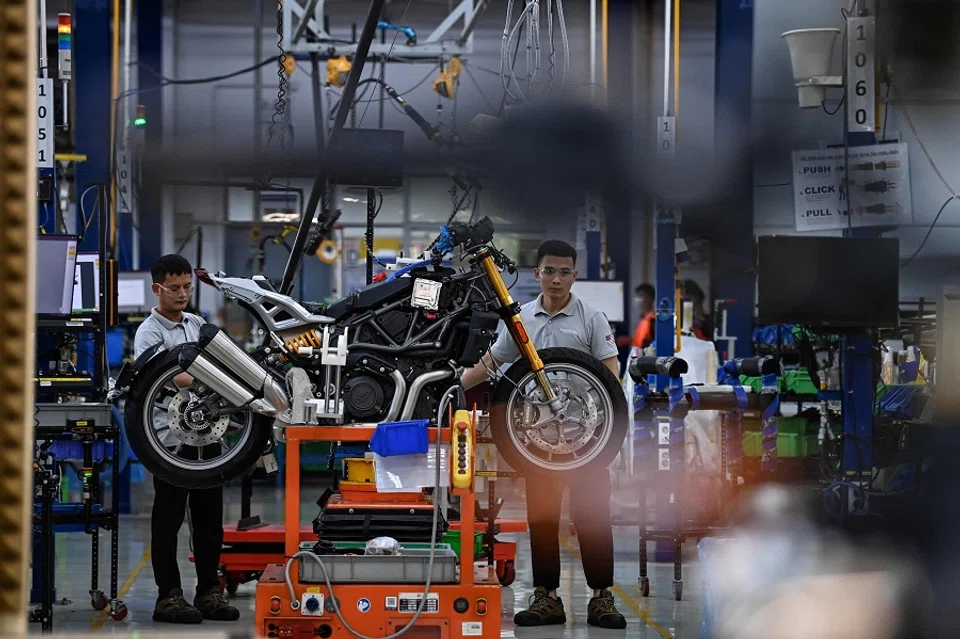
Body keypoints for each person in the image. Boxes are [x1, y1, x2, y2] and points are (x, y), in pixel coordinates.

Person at [460, 240, 627, 630]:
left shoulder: (591, 318)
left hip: (585, 442)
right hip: (537, 442)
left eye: (564, 271)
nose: (556, 279)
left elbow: (610, 373)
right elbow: (494, 361)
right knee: (542, 517)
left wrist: (596, 421)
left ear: (574, 275)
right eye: (549, 270)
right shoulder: (521, 319)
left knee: (592, 517)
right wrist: (456, 383)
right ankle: (546, 597)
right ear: (537, 273)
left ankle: (602, 598)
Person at [133, 254, 240, 625]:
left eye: (187, 287)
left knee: (210, 519)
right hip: (169, 443)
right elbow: (170, 374)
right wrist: (214, 379)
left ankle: (210, 591)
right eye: (174, 288)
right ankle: (169, 597)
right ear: (157, 289)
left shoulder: (197, 324)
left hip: (207, 436)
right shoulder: (149, 332)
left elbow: (224, 362)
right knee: (168, 518)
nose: (182, 294)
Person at [618, 283, 656, 350]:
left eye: (641, 296)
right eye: (637, 296)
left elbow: (653, 343)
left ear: (650, 298)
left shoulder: (653, 320)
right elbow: (642, 340)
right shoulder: (644, 319)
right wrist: (630, 340)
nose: (638, 299)